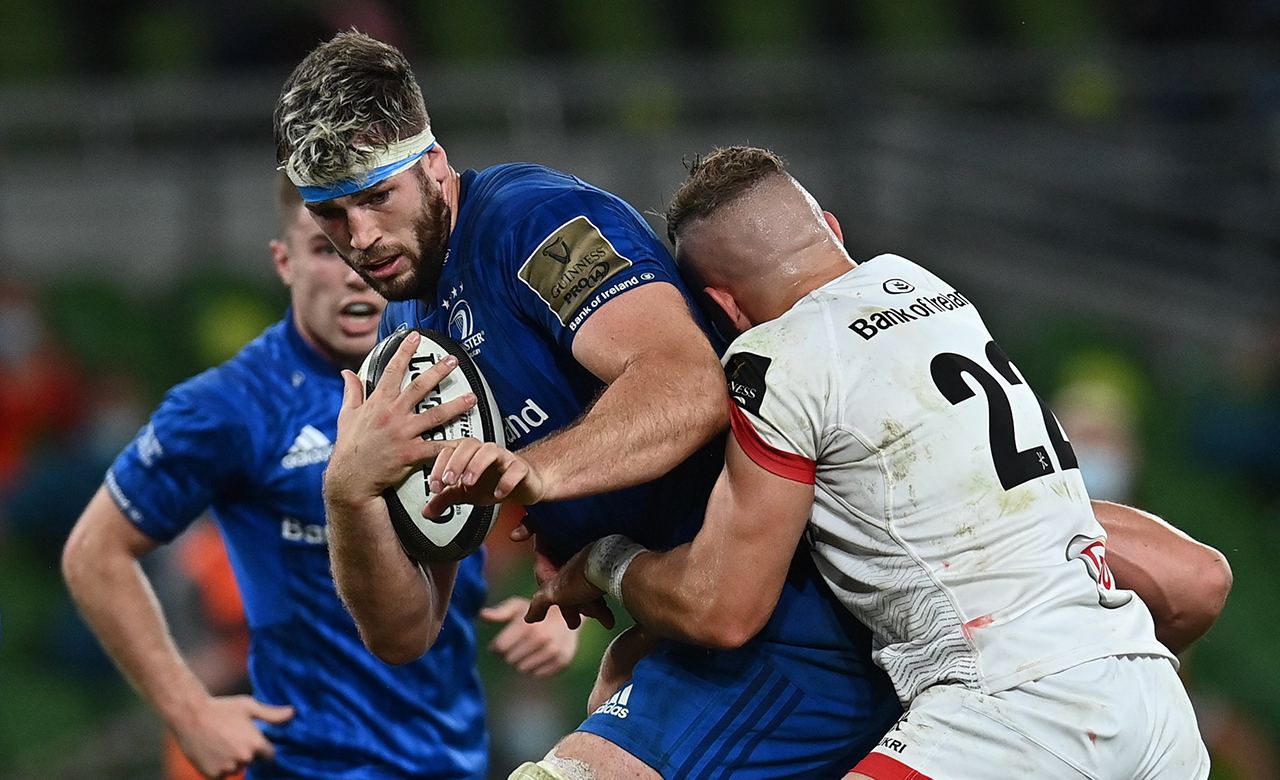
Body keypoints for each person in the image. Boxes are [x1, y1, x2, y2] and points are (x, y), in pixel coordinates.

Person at [275, 31, 907, 780]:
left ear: (433, 166)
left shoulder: (535, 226)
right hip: (696, 633)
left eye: (377, 198)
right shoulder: (406, 336)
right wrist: (348, 493)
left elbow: (688, 384)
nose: (362, 237)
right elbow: (406, 630)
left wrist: (531, 471)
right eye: (332, 215)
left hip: (803, 617)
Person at [527, 146, 1228, 780]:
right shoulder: (926, 288)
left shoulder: (775, 358)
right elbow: (1198, 582)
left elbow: (721, 609)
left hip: (1013, 710)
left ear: (722, 306)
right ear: (831, 228)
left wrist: (604, 560)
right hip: (1155, 705)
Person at [60, 175, 580, 780]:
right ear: (284, 263)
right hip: (308, 765)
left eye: (365, 250)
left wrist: (554, 589)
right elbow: (93, 553)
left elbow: (523, 495)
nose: (353, 271)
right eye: (324, 250)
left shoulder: (460, 367)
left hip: (454, 759)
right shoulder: (231, 405)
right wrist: (189, 711)